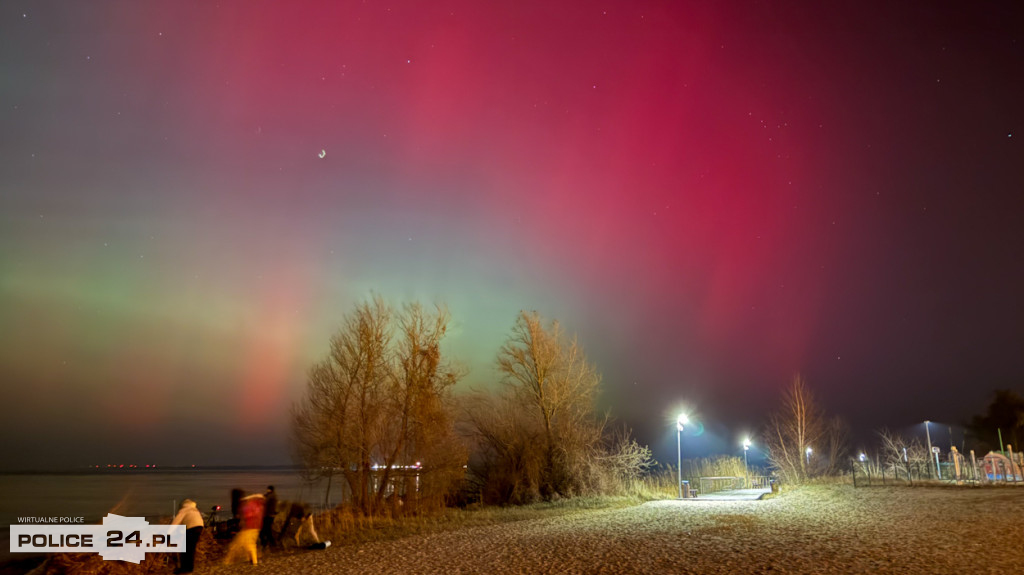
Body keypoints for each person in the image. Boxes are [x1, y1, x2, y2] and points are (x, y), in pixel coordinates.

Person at [224, 494, 264, 565]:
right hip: (255, 527)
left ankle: (253, 561)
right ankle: (252, 560)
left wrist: (242, 519)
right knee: (250, 544)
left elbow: (247, 515)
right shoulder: (259, 506)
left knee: (246, 544)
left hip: (250, 527)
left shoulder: (251, 506)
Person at [171, 499, 204, 574]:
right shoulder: (195, 509)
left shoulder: (184, 510)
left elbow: (176, 522)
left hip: (191, 528)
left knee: (185, 548)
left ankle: (184, 568)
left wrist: (169, 533)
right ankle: (189, 567)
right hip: (199, 527)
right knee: (191, 548)